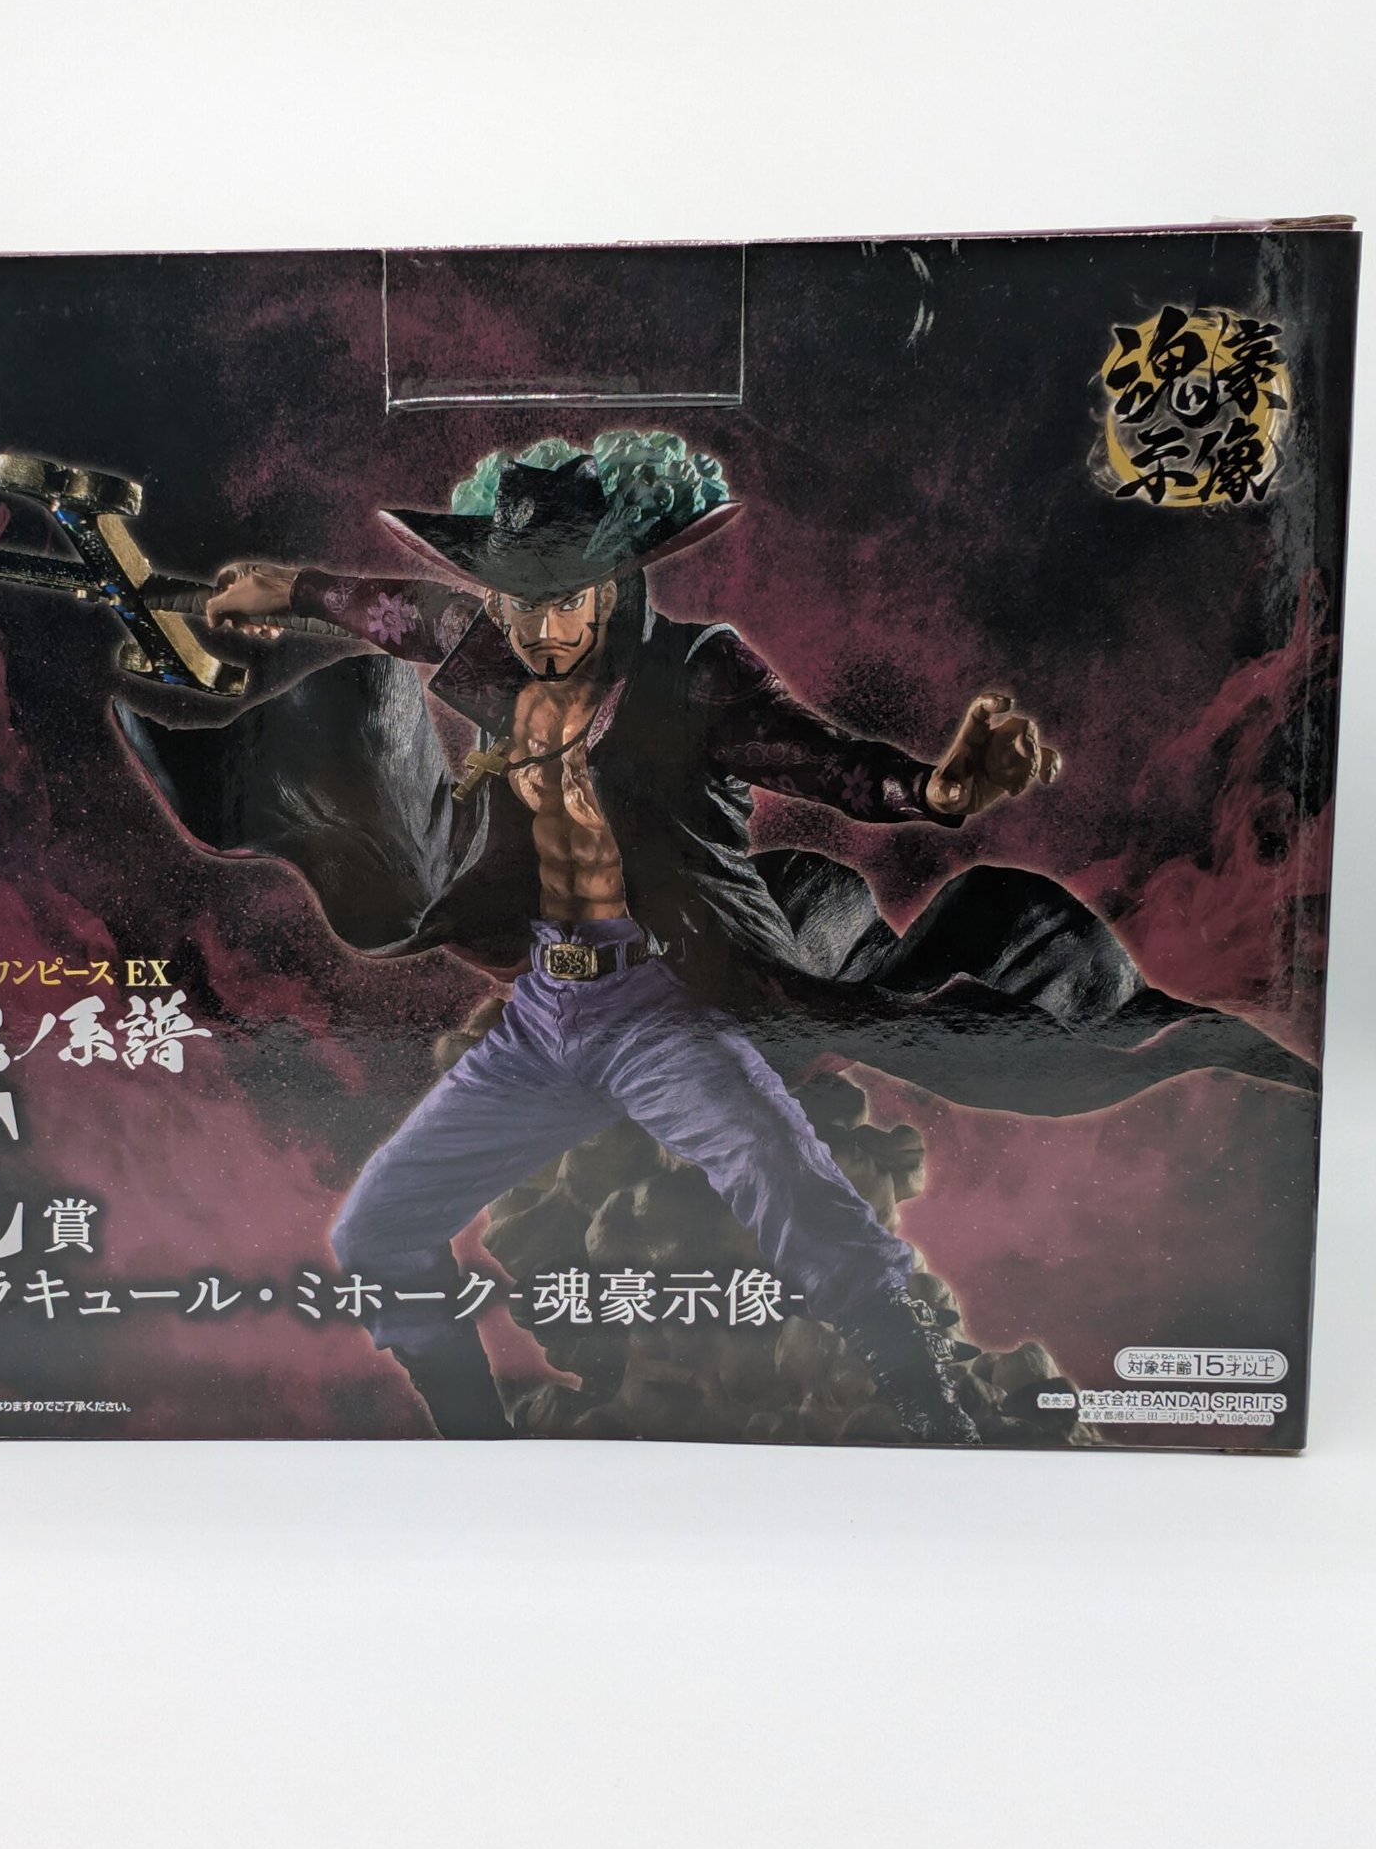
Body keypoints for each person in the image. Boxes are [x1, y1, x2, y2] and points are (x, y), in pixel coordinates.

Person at [115, 432, 1314, 1443]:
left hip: (663, 1007)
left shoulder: (692, 674)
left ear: (615, 586)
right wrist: (276, 588)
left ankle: (933, 1414)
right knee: (375, 1228)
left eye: (564, 599)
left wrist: (942, 789)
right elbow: (377, 605)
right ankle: (472, 1446)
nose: (540, 628)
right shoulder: (486, 645)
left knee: (794, 1194)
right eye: (517, 600)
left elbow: (827, 761)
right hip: (543, 1020)